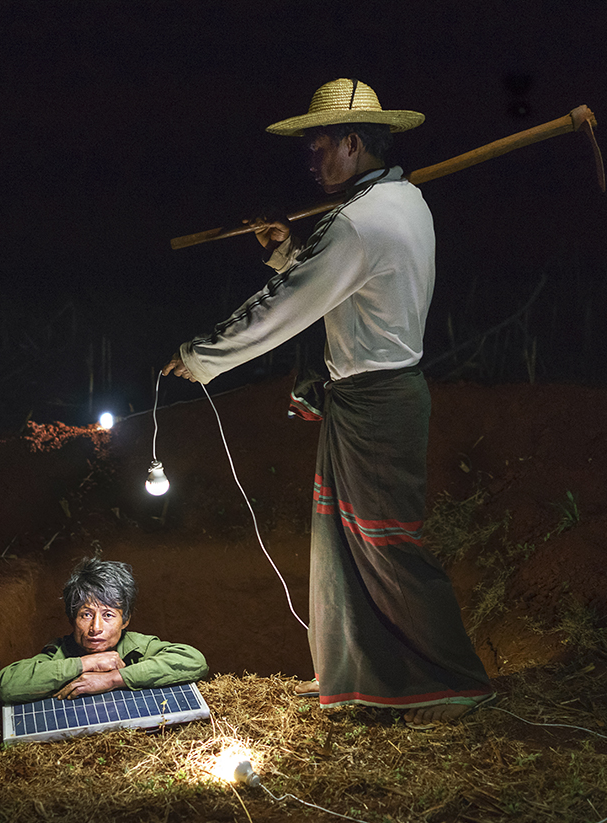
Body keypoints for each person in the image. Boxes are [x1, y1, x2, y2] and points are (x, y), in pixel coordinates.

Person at [162, 78, 492, 726]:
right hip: (373, 396)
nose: (309, 161)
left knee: (387, 544)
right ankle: (370, 682)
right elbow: (341, 282)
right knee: (348, 545)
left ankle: (454, 682)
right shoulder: (404, 201)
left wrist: (203, 356)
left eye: (316, 147)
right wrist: (287, 250)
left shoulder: (357, 223)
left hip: (375, 402)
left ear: (350, 142)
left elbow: (287, 308)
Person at [0, 556, 208, 705]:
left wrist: (113, 679)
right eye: (86, 615)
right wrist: (88, 663)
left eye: (108, 615)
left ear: (125, 621)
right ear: (72, 619)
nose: (95, 628)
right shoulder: (60, 651)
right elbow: (8, 685)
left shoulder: (137, 645)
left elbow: (194, 661)